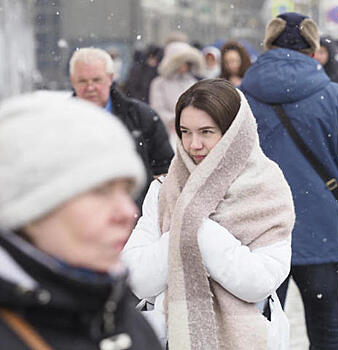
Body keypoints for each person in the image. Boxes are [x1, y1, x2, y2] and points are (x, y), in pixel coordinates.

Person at [121, 79, 295, 349]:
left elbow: (259, 281)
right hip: (172, 338)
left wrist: (195, 227)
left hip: (249, 338)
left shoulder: (266, 189)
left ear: (235, 134)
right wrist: (185, 227)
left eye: (206, 132)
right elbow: (138, 278)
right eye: (185, 132)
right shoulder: (164, 189)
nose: (194, 144)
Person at [240, 12, 338, 349]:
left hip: (255, 237)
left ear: (266, 47)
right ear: (315, 51)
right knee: (327, 334)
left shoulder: (238, 101)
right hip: (323, 234)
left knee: (258, 335)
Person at [0, 92, 162, 350]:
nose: (127, 211)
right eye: (100, 191)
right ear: (29, 207)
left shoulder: (123, 317)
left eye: (126, 190)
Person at [69, 47, 174, 209]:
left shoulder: (142, 117)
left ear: (111, 78)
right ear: (72, 80)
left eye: (96, 80)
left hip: (135, 219)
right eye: (83, 81)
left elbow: (165, 171)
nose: (90, 87)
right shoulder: (59, 124)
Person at [149, 41, 205, 138]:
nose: (184, 66)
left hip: (191, 133)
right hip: (167, 133)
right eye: (181, 63)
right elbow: (157, 110)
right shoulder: (159, 83)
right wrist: (177, 120)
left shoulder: (192, 82)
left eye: (187, 63)